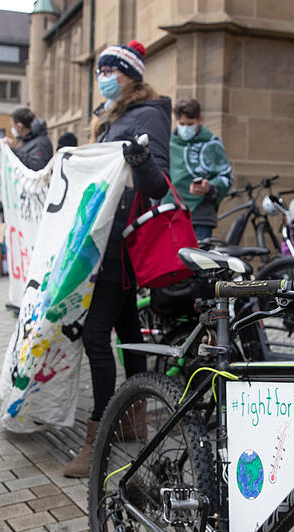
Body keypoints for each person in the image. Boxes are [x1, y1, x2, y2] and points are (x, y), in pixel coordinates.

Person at [63, 39, 171, 478]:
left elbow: (158, 184)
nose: (103, 76)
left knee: (95, 337)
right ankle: (133, 421)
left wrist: (140, 158)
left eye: (112, 69)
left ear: (132, 75)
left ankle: (98, 440)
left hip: (118, 246)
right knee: (127, 329)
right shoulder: (113, 116)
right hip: (104, 239)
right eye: (100, 70)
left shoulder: (147, 115)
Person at [167, 97, 233, 241]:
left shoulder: (211, 144)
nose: (185, 128)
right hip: (170, 212)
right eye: (182, 124)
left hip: (200, 215)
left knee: (199, 255)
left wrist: (209, 187)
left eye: (190, 124)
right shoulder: (168, 143)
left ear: (199, 120)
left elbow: (226, 177)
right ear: (176, 121)